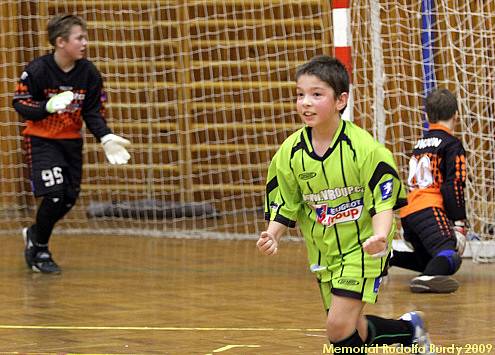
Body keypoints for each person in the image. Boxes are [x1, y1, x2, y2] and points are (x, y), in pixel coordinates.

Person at [257, 55, 435, 354]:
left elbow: (384, 201)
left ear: (341, 100)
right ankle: (410, 330)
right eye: (300, 95)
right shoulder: (290, 153)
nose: (306, 102)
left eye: (316, 94)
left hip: (364, 247)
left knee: (337, 327)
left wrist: (380, 235)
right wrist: (272, 233)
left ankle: (410, 330)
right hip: (324, 251)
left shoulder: (365, 149)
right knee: (348, 330)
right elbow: (285, 200)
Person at [13, 14, 131, 274]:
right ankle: (40, 248)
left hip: (71, 143)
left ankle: (34, 233)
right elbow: (20, 103)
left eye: (85, 37)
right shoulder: (38, 70)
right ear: (61, 42)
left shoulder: (88, 73)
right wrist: (47, 106)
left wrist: (106, 137)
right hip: (42, 141)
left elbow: (92, 112)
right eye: (80, 38)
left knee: (68, 197)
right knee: (54, 194)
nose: (85, 43)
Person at [389, 88, 467, 293]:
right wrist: (459, 223)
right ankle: (426, 279)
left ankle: (389, 257)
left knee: (429, 259)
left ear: (427, 116)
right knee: (450, 255)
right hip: (429, 210)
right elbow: (454, 184)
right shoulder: (452, 145)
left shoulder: (420, 144)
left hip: (408, 214)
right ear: (456, 115)